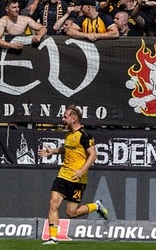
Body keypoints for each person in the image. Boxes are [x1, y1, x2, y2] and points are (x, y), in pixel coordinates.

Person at [38, 105, 109, 245]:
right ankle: (53, 238)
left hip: (77, 179)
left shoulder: (85, 135)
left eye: (65, 117)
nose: (62, 119)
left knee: (72, 213)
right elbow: (67, 149)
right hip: (63, 174)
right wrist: (52, 151)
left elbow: (93, 155)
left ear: (73, 118)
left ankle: (96, 206)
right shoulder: (69, 134)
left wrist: (82, 170)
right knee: (53, 203)